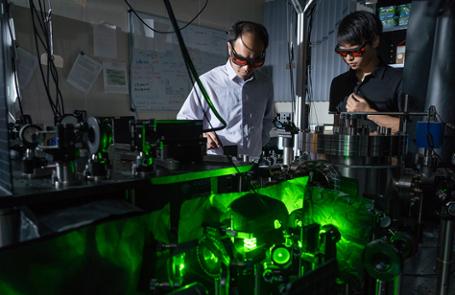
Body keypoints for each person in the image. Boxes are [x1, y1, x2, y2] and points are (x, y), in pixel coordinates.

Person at [177, 21, 275, 157]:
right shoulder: (208, 82)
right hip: (216, 166)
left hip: (252, 165)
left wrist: (256, 146)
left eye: (256, 61)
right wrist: (201, 136)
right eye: (241, 60)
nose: (247, 68)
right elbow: (184, 122)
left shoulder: (265, 84)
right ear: (230, 48)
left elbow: (268, 120)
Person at [329, 11, 403, 133]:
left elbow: (411, 128)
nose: (349, 58)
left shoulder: (397, 80)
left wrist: (369, 113)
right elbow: (337, 129)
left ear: (374, 41)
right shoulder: (339, 83)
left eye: (355, 51)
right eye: (343, 53)